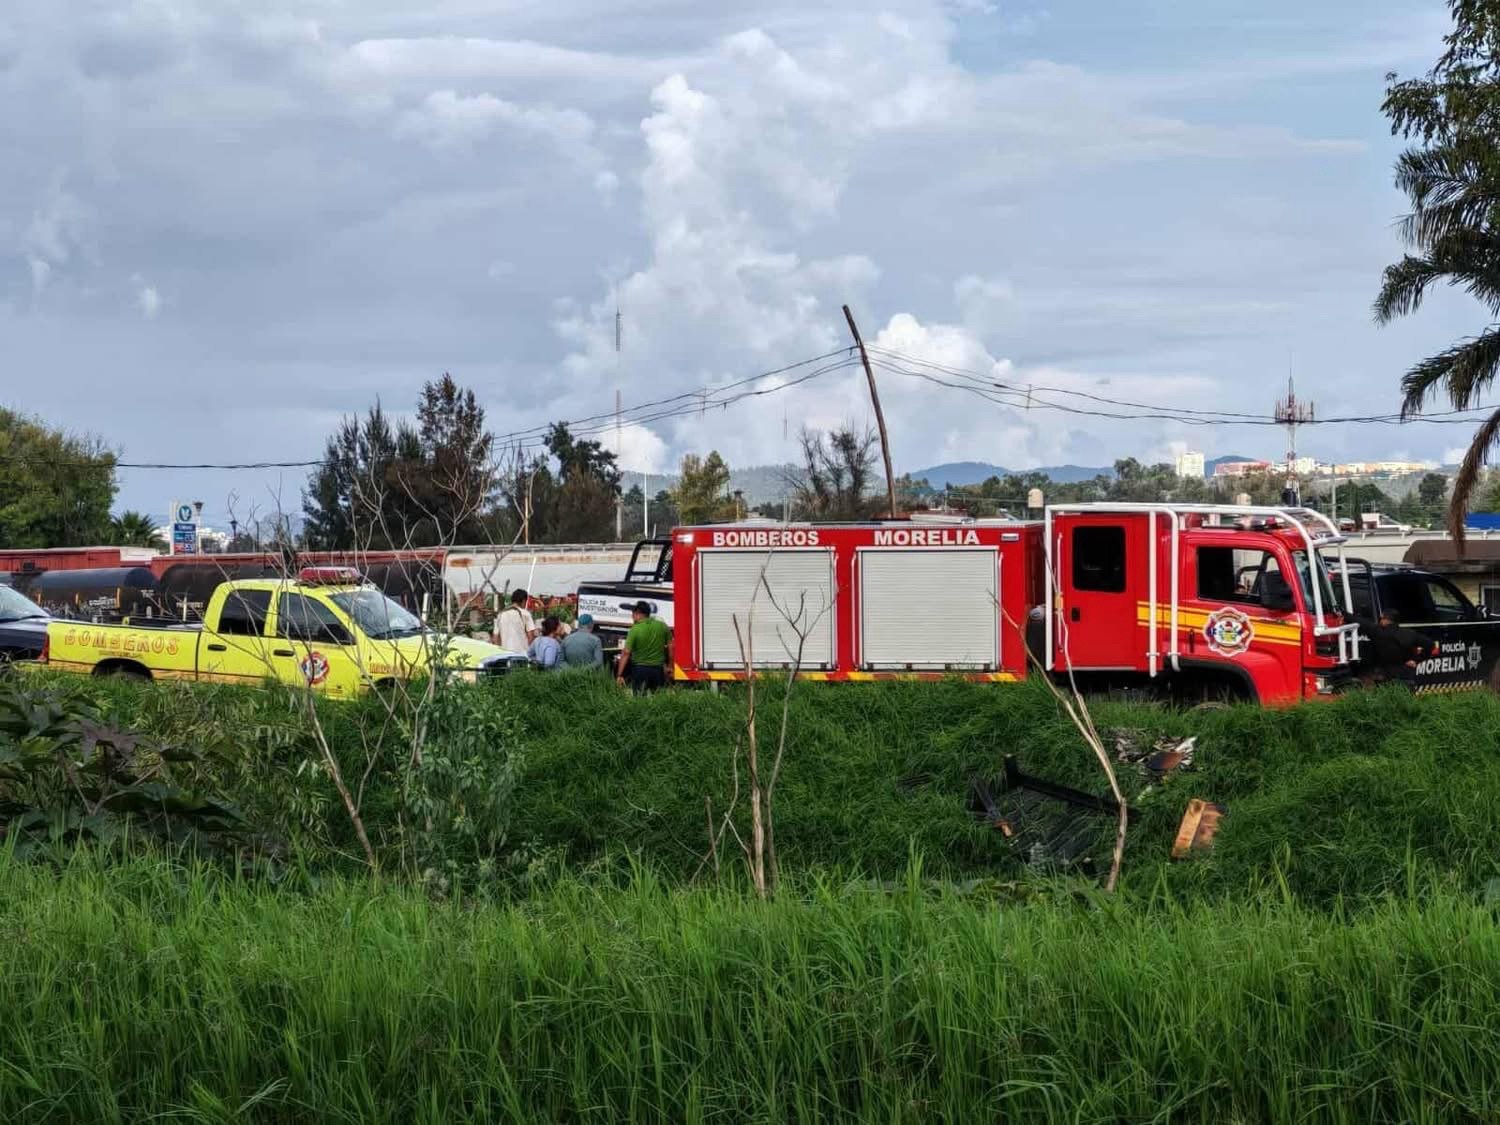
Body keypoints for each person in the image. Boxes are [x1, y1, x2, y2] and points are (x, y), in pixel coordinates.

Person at [617, 600, 669, 693]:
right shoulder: (662, 626)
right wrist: (670, 665)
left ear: (639, 614)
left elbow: (626, 653)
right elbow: (671, 646)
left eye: (633, 613)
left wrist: (620, 674)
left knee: (640, 699)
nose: (632, 615)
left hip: (640, 670)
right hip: (658, 670)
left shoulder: (635, 629)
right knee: (658, 699)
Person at [493, 589, 537, 654]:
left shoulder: (500, 614)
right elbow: (531, 636)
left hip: (505, 653)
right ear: (524, 601)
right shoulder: (525, 614)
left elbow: (495, 637)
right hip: (521, 654)